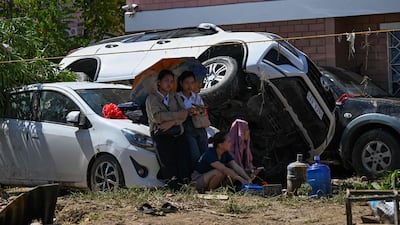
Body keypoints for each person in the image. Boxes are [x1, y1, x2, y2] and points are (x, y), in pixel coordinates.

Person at [145, 69, 190, 190]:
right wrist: (176, 116)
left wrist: (172, 122)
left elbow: (184, 113)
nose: (169, 84)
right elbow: (157, 117)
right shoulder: (152, 98)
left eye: (171, 81)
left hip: (177, 132)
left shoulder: (174, 96)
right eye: (166, 81)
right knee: (167, 162)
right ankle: (172, 186)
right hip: (161, 134)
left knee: (182, 159)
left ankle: (183, 185)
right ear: (159, 82)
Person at [176, 71, 208, 169]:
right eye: (187, 83)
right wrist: (187, 111)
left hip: (199, 126)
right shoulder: (177, 97)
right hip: (187, 127)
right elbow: (175, 112)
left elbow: (203, 111)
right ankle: (196, 176)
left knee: (204, 151)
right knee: (194, 153)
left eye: (192, 82)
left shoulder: (196, 97)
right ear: (181, 83)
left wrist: (199, 110)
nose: (189, 86)